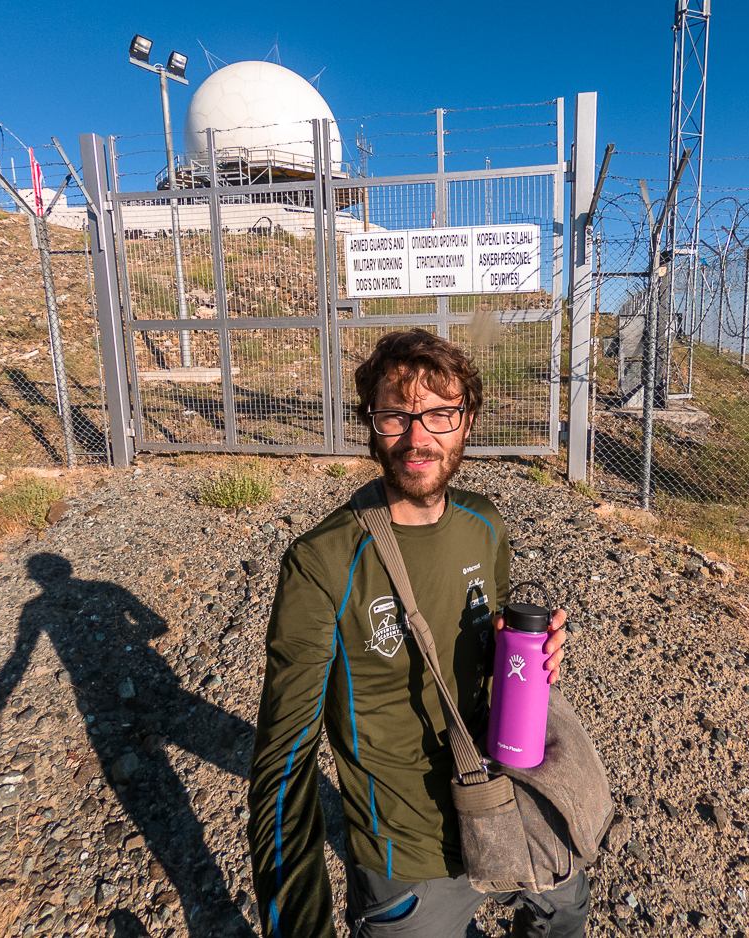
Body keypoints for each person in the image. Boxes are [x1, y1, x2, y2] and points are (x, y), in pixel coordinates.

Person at [247, 329, 588, 937]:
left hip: (514, 802)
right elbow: (283, 765)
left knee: (565, 914)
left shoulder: (485, 524)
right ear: (369, 423)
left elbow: (491, 633)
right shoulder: (323, 562)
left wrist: (530, 653)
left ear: (468, 421)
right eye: (395, 415)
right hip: (407, 858)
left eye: (439, 413)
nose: (418, 437)